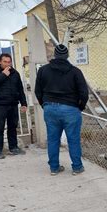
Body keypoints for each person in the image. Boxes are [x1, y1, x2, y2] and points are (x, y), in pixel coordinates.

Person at [35, 44, 89, 176]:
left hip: (50, 109)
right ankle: (77, 167)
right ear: (67, 56)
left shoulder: (43, 70)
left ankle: (54, 168)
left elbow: (37, 91)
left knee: (53, 139)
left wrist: (44, 104)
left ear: (55, 55)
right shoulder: (75, 71)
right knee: (73, 139)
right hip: (70, 109)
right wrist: (79, 107)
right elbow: (84, 93)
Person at [0, 53, 28, 159]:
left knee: (12, 127)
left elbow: (20, 89)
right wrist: (3, 75)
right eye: (5, 62)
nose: (7, 64)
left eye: (9, 62)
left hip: (13, 104)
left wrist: (23, 103)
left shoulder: (15, 73)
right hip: (0, 105)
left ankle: (13, 148)